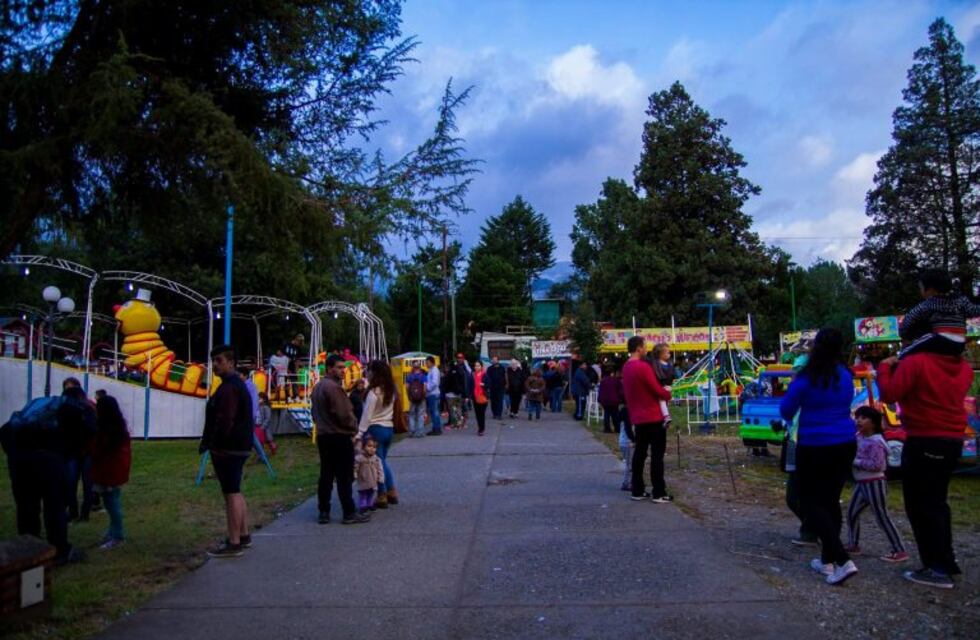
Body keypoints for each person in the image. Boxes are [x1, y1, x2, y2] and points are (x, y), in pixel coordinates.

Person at [877, 341, 974, 589]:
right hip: (952, 439)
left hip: (924, 437)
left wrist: (885, 368)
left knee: (920, 504)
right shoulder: (963, 367)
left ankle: (937, 568)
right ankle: (945, 561)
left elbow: (889, 394)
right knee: (937, 502)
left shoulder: (917, 363)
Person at [779, 328, 858, 585]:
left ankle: (842, 559)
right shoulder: (845, 375)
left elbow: (786, 409)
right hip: (845, 442)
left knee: (810, 500)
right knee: (831, 500)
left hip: (815, 444)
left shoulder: (807, 377)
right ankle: (827, 560)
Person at [200, 345, 255, 558]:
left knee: (231, 494)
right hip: (237, 446)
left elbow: (225, 419)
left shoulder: (230, 388)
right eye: (213, 360)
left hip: (229, 448)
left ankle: (234, 542)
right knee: (235, 491)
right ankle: (243, 534)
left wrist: (215, 442)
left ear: (231, 363)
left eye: (219, 360)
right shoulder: (233, 385)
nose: (215, 365)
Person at [845, 406, 908, 562]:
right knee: (852, 512)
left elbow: (877, 465)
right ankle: (853, 544)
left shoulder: (876, 442)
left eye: (863, 418)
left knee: (881, 516)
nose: (858, 420)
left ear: (873, 423)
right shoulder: (859, 437)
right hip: (861, 482)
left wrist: (855, 461)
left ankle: (899, 550)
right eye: (857, 417)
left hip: (874, 482)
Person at [311, 354, 368, 525]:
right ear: (329, 369)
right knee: (344, 476)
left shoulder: (318, 387)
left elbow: (314, 413)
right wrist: (354, 428)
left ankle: (324, 511)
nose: (343, 371)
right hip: (339, 435)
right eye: (339, 367)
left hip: (323, 435)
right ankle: (348, 512)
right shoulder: (334, 388)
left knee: (326, 474)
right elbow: (343, 414)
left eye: (344, 367)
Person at [621, 337, 672, 503]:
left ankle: (637, 489)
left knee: (640, 453)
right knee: (657, 455)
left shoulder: (626, 367)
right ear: (638, 348)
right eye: (644, 347)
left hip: (638, 416)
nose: (646, 350)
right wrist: (667, 393)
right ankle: (658, 492)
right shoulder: (642, 367)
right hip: (653, 415)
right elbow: (655, 388)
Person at [899, 268, 980, 358]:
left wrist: (903, 333)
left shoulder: (929, 304)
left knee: (912, 347)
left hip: (940, 340)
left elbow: (910, 318)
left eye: (921, 288)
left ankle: (899, 358)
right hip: (960, 342)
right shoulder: (962, 301)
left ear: (930, 290)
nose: (920, 291)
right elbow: (974, 310)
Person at [358, 360, 401, 508]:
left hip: (375, 429)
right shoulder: (391, 390)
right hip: (388, 428)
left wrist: (359, 433)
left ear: (375, 373)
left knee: (378, 464)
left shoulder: (373, 393)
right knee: (382, 461)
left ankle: (383, 493)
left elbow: (367, 416)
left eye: (369, 371)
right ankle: (390, 491)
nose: (367, 373)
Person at [91, 394, 132, 550]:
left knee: (111, 504)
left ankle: (118, 535)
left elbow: (97, 450)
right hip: (116, 471)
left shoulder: (105, 430)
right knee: (113, 500)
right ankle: (113, 531)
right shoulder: (118, 427)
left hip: (108, 471)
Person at [62, 378, 98, 522]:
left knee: (87, 483)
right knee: (71, 483)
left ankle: (84, 513)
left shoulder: (88, 406)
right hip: (73, 451)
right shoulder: (86, 405)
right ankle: (74, 511)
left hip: (86, 451)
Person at [354, 435, 384, 514]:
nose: (372, 449)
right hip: (363, 479)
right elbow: (355, 467)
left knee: (371, 493)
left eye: (374, 447)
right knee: (363, 493)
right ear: (363, 447)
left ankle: (370, 504)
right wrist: (354, 474)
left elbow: (380, 469)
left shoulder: (376, 459)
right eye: (369, 446)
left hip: (373, 479)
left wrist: (381, 477)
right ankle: (363, 505)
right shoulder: (359, 458)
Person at [650, 344, 676, 427]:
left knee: (664, 403)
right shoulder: (655, 364)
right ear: (660, 354)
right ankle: (665, 416)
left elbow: (672, 376)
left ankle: (664, 418)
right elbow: (657, 376)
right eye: (667, 352)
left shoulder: (669, 364)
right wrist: (662, 386)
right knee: (661, 401)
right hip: (660, 387)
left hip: (667, 386)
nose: (669, 354)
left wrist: (671, 384)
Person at [597, 368, 623, 434]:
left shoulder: (603, 381)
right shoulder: (616, 380)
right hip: (614, 400)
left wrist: (599, 400)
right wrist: (621, 399)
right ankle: (617, 428)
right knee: (615, 415)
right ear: (612, 373)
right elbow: (621, 391)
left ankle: (607, 429)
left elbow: (600, 391)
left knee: (607, 414)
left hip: (605, 400)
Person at [405, 363, 428, 438]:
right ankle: (420, 432)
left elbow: (407, 387)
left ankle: (411, 431)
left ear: (413, 368)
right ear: (419, 368)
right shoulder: (423, 376)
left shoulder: (409, 376)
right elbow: (424, 388)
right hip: (421, 398)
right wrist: (423, 396)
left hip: (412, 398)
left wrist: (409, 396)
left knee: (411, 414)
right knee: (420, 414)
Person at [445, 354, 468, 428]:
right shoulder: (459, 369)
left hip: (457, 392)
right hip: (457, 392)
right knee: (456, 409)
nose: (459, 359)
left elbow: (465, 381)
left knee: (456, 409)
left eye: (460, 358)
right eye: (458, 358)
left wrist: (466, 394)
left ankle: (458, 423)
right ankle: (458, 423)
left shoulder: (463, 369)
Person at [283, 333, 305, 401]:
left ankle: (296, 396)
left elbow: (297, 359)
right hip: (284, 366)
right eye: (299, 342)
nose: (300, 344)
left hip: (292, 366)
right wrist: (285, 367)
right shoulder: (287, 345)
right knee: (286, 381)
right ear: (296, 339)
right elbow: (280, 354)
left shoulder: (298, 348)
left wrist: (297, 369)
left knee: (294, 381)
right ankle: (287, 397)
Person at [425, 356, 443, 435]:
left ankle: (437, 428)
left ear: (432, 362)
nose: (426, 364)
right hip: (431, 394)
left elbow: (435, 382)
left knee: (435, 411)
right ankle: (435, 427)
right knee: (433, 411)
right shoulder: (431, 370)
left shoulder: (434, 370)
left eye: (427, 363)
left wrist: (428, 388)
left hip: (433, 393)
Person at [472, 361, 490, 436]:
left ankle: (481, 429)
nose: (477, 367)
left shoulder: (485, 375)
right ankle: (480, 427)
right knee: (477, 414)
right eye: (475, 366)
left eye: (478, 366)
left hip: (483, 396)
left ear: (481, 367)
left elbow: (489, 384)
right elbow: (470, 385)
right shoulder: (473, 375)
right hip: (475, 397)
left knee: (481, 413)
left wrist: (483, 384)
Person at [618, 411, 635, 492]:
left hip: (622, 442)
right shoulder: (628, 421)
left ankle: (630, 482)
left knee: (629, 463)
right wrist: (634, 440)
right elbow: (629, 431)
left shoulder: (622, 419)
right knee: (630, 465)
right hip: (628, 443)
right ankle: (626, 483)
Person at [256, 392, 277, 456]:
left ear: (264, 399)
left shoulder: (266, 407)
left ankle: (273, 447)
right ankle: (261, 454)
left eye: (259, 398)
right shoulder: (258, 406)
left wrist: (263, 426)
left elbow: (268, 418)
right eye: (257, 398)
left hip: (265, 427)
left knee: (269, 440)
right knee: (260, 440)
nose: (258, 400)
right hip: (258, 425)